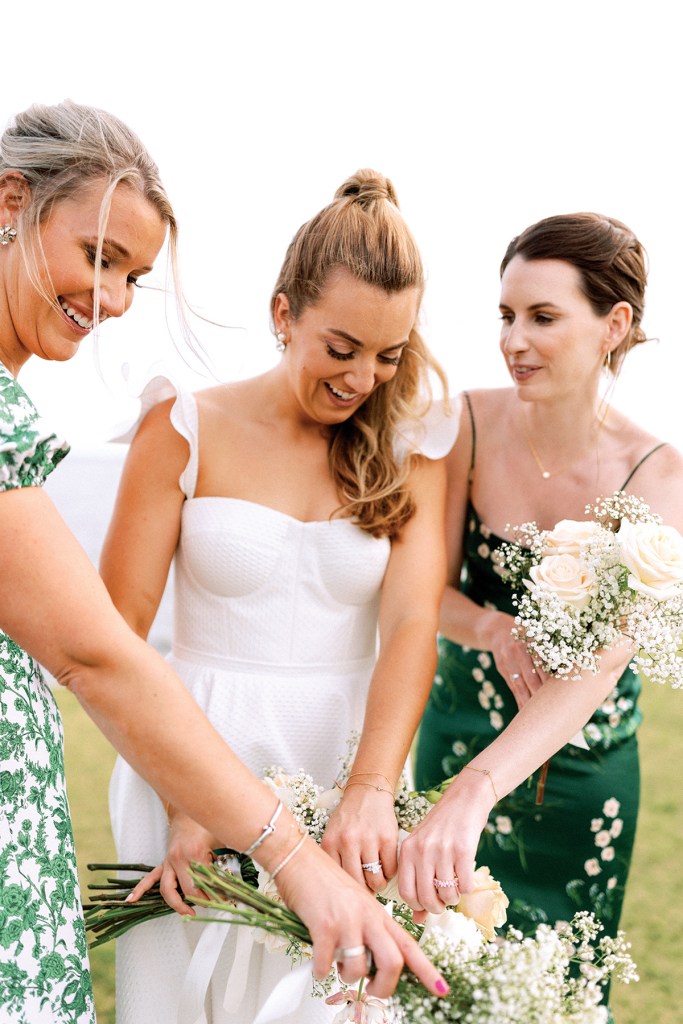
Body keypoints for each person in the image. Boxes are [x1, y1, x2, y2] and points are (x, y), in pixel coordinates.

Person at [0, 102, 448, 1024]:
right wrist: (219, 817)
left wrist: (368, 790)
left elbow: (413, 622)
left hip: (333, 764)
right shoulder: (185, 423)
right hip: (189, 754)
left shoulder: (409, 451)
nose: (114, 297)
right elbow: (99, 647)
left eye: (131, 274)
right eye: (99, 257)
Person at [399, 213, 683, 983]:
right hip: (454, 735)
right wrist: (490, 627)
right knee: (439, 974)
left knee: (559, 988)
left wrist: (478, 791)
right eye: (505, 315)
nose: (512, 339)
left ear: (612, 325)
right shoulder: (468, 424)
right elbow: (419, 591)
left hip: (584, 773)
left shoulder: (655, 476)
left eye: (542, 317)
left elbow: (600, 664)